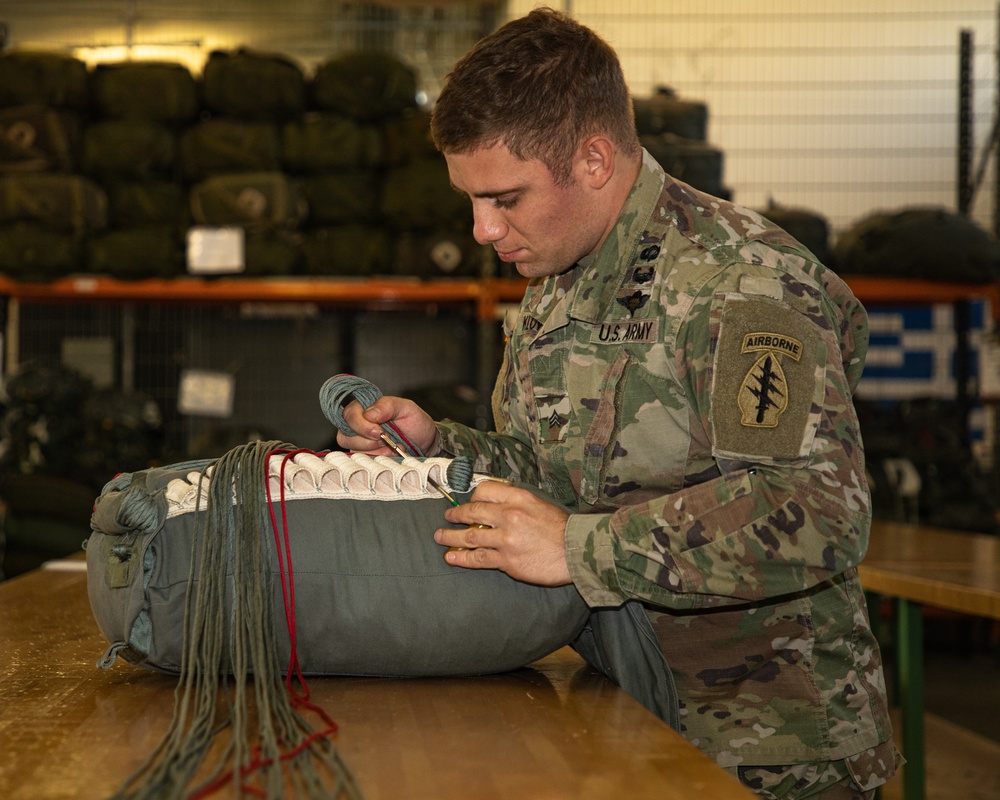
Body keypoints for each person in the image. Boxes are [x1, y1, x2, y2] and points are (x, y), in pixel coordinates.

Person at [338, 7, 898, 798]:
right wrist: (439, 449)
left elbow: (814, 509)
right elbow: (551, 470)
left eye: (504, 197)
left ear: (594, 160)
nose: (482, 229)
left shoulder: (741, 283)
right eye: (470, 200)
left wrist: (579, 550)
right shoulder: (557, 280)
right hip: (621, 715)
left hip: (768, 748)